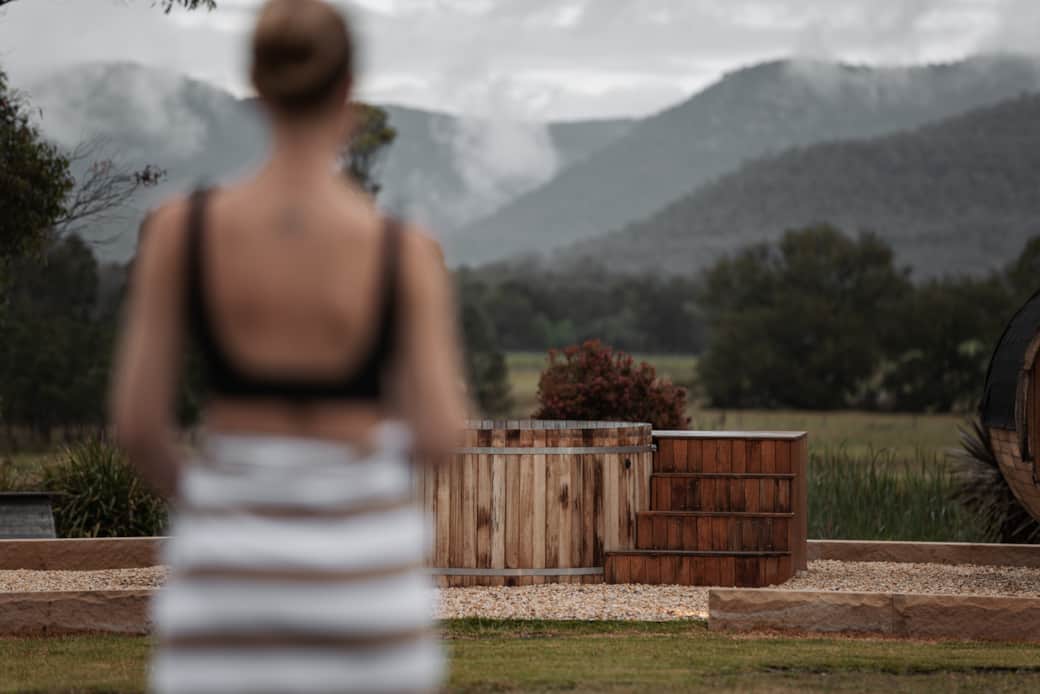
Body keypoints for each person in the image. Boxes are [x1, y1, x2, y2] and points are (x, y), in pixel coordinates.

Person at [109, 1, 467, 691]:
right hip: (368, 586)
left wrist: (220, 501)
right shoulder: (404, 250)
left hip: (226, 583)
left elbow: (138, 426)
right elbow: (440, 431)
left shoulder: (182, 233)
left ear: (256, 84)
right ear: (348, 90)